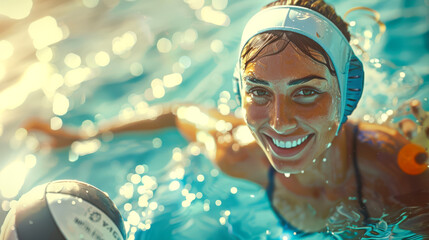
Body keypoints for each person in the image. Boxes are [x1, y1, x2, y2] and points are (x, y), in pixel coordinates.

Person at [25, 0, 429, 236]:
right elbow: (178, 113)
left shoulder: (398, 177)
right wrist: (84, 134)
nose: (279, 121)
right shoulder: (239, 153)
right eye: (258, 92)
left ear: (348, 94)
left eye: (306, 92)